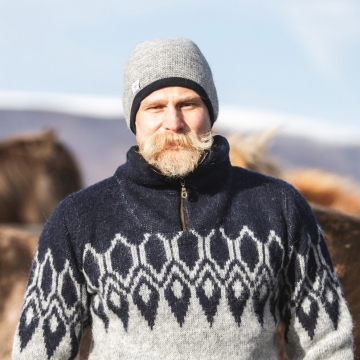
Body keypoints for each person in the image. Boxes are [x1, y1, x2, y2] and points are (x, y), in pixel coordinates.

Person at [13, 38, 353, 359]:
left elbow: (326, 344)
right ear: (135, 119)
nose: (173, 122)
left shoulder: (279, 207)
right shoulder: (79, 219)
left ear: (210, 112)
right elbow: (38, 352)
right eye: (155, 107)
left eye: (187, 104)